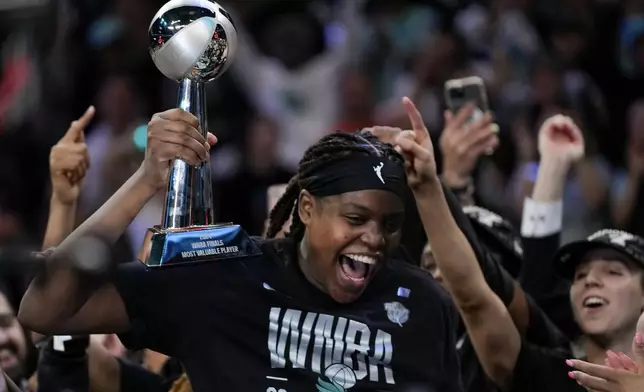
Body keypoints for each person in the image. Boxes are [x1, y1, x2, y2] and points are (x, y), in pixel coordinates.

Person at [19, 97, 473, 391]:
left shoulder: (422, 303)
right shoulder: (222, 276)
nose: (375, 239)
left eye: (390, 224)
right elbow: (45, 312)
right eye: (356, 218)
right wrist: (144, 180)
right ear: (308, 209)